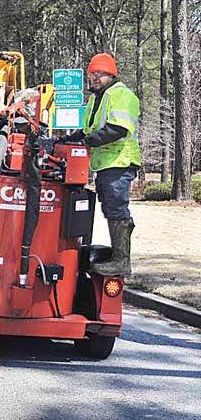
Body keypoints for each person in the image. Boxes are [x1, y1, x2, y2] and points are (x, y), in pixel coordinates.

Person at [66, 53, 140, 276]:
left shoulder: (121, 95)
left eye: (100, 74)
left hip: (120, 161)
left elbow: (117, 129)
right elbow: (89, 130)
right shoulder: (97, 98)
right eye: (92, 74)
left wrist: (87, 141)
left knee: (116, 208)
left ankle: (121, 261)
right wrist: (72, 139)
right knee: (110, 207)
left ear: (112, 74)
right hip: (107, 163)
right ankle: (117, 257)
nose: (95, 77)